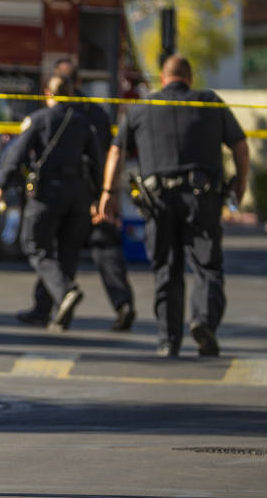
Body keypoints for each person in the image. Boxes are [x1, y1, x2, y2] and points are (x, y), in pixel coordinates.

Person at [99, 55, 249, 357]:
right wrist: (240, 183)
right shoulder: (210, 102)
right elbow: (241, 146)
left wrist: (108, 193)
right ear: (189, 78)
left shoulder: (143, 107)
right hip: (201, 198)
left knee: (167, 269)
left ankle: (168, 341)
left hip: (159, 201)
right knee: (207, 267)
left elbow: (116, 152)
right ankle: (203, 322)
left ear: (163, 78)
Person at [20, 59, 138, 331]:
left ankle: (49, 306)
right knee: (101, 249)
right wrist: (109, 194)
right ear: (79, 83)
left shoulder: (56, 112)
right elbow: (111, 155)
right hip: (94, 192)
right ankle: (122, 305)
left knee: (52, 249)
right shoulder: (96, 113)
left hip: (66, 193)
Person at [0, 74, 102, 331]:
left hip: (47, 193)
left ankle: (65, 292)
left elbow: (17, 154)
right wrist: (100, 196)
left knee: (35, 246)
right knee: (67, 253)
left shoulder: (40, 120)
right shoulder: (83, 123)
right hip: (77, 195)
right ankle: (49, 311)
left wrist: (2, 184)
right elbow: (97, 162)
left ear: (47, 93)